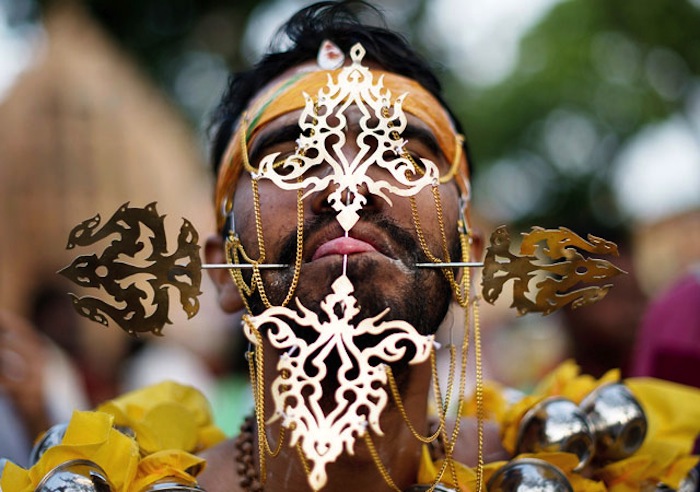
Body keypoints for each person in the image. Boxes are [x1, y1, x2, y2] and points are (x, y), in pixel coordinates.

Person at [3, 2, 700, 492]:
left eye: (396, 153)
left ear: (467, 256)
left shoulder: (610, 467)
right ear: (220, 267)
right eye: (290, 157)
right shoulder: (101, 481)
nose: (346, 187)